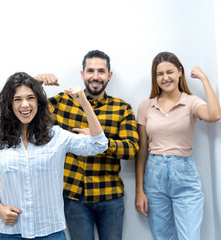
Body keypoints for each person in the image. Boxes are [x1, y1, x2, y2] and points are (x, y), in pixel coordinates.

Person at [0, 72, 109, 240]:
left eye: (30, 98)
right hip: (10, 232)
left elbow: (98, 144)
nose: (25, 105)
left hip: (50, 232)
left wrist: (84, 102)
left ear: (39, 102)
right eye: (17, 99)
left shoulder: (56, 136)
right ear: (9, 104)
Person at [35, 50, 139, 240]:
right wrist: (36, 82)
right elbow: (27, 110)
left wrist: (99, 138)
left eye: (101, 71)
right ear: (82, 74)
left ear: (109, 75)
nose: (95, 76)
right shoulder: (62, 102)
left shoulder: (122, 108)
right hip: (75, 197)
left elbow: (132, 149)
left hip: (110, 195)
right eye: (90, 71)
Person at [135, 52, 221, 240]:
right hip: (153, 177)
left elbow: (214, 115)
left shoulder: (190, 102)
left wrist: (204, 78)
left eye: (170, 72)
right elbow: (142, 151)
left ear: (180, 72)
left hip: (184, 176)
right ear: (155, 78)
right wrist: (139, 190)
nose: (165, 78)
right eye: (160, 74)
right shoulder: (146, 107)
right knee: (162, 237)